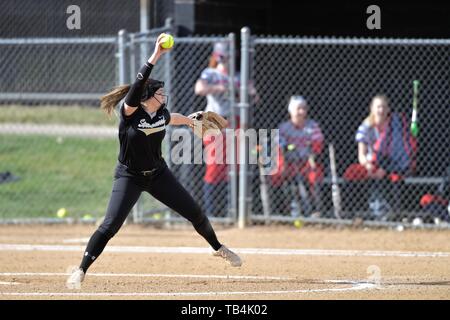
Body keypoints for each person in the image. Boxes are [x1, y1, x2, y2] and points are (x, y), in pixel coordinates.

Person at [66, 34, 242, 289]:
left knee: (196, 213)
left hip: (158, 175)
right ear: (148, 96)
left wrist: (193, 121)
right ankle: (80, 270)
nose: (164, 96)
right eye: (161, 93)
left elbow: (175, 118)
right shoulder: (130, 113)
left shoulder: (161, 113)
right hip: (129, 176)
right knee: (110, 225)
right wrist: (156, 54)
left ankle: (218, 248)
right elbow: (138, 84)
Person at [344, 94, 417, 219]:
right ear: (372, 109)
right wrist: (368, 166)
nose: (381, 110)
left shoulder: (395, 126)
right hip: (371, 164)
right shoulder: (365, 127)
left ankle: (390, 213)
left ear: (388, 109)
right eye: (378, 107)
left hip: (391, 164)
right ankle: (352, 212)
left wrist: (385, 169)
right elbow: (361, 155)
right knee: (351, 173)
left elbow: (399, 152)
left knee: (393, 177)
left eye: (384, 107)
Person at [194, 42, 236, 217]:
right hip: (213, 122)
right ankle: (210, 214)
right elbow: (199, 89)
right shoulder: (210, 73)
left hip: (231, 123)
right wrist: (218, 87)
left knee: (228, 169)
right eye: (224, 55)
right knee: (213, 167)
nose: (227, 59)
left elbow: (254, 95)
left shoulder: (236, 75)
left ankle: (227, 212)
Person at [269, 96, 324, 217]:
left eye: (304, 108)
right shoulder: (283, 128)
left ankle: (315, 210)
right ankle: (282, 211)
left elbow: (317, 145)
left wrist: (312, 158)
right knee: (276, 174)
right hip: (289, 162)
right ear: (291, 111)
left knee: (315, 175)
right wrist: (283, 163)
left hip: (306, 162)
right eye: (298, 109)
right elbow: (279, 147)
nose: (302, 112)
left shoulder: (313, 126)